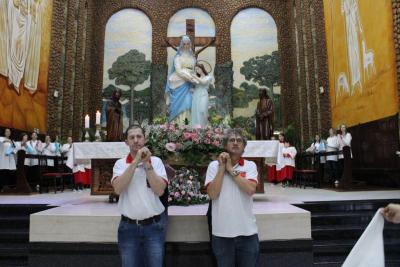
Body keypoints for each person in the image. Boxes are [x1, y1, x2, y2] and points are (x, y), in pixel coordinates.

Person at [111, 125, 168, 267]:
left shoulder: (156, 162)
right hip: (128, 228)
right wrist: (136, 161)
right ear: (126, 142)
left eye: (139, 137)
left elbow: (160, 190)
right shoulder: (120, 164)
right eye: (132, 137)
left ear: (145, 139)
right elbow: (118, 189)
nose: (136, 140)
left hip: (154, 227)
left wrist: (147, 163)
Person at [205, 128, 259, 267]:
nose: (235, 143)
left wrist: (231, 169)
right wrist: (222, 168)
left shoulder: (250, 166)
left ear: (244, 146)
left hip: (247, 233)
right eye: (231, 140)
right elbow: (212, 194)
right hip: (222, 233)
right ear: (225, 145)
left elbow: (250, 189)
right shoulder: (213, 166)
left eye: (239, 140)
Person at [165, 35, 197, 124]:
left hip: (189, 85)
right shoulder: (178, 57)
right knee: (178, 104)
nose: (186, 45)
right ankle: (178, 125)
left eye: (188, 44)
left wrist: (194, 78)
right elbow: (179, 71)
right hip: (179, 82)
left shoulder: (192, 57)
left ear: (190, 44)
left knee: (189, 102)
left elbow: (194, 69)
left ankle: (189, 125)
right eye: (184, 44)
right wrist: (190, 78)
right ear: (182, 44)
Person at [191, 63, 212, 128]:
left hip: (203, 94)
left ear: (202, 68)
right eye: (196, 69)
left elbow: (203, 82)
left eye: (198, 68)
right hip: (196, 95)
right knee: (196, 111)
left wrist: (195, 76)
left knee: (203, 110)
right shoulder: (197, 78)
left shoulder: (208, 77)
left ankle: (204, 126)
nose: (197, 70)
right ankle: (197, 127)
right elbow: (195, 86)